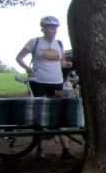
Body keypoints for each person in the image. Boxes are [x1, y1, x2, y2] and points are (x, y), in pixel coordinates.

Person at [15, 16, 75, 159]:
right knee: (40, 115)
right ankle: (39, 149)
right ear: (43, 28)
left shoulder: (59, 44)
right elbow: (19, 57)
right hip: (38, 82)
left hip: (57, 82)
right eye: (49, 27)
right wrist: (28, 69)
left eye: (55, 27)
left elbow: (62, 62)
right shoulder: (34, 42)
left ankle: (66, 150)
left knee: (60, 113)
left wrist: (67, 65)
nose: (53, 30)